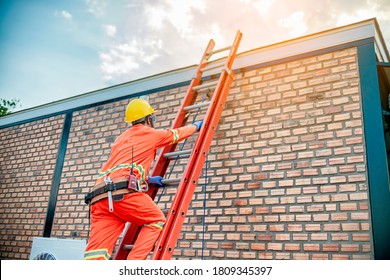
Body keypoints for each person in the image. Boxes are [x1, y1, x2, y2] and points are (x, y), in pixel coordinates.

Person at [83, 98, 203, 260]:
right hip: (122, 195)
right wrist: (196, 126)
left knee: (96, 254)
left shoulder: (121, 139)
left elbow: (124, 166)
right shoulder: (149, 133)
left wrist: (148, 179)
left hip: (99, 199)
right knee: (156, 220)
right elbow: (175, 134)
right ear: (148, 119)